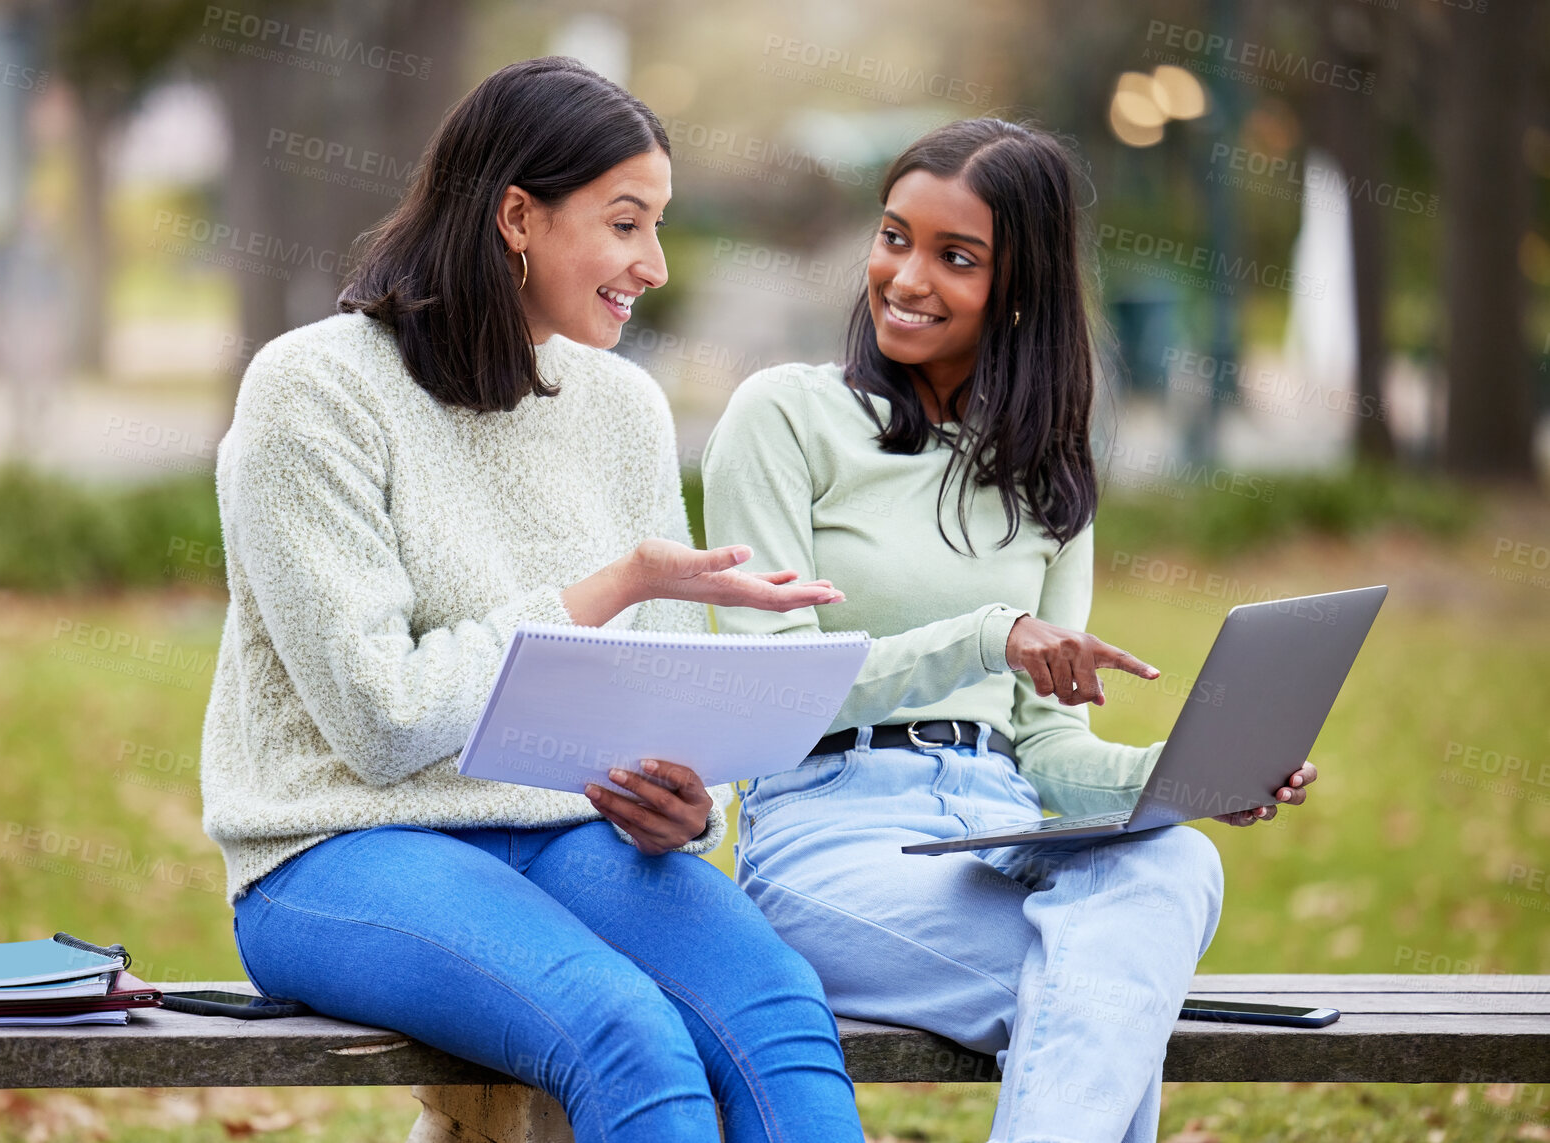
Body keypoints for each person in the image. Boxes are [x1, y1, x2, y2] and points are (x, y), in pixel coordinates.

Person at [200, 57, 865, 1143]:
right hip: (335, 847)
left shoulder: (623, 405)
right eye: (624, 223)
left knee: (781, 1016)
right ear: (517, 215)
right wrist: (613, 586)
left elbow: (656, 692)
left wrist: (688, 806)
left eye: (657, 226)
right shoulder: (312, 391)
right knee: (624, 1033)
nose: (651, 264)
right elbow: (381, 721)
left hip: (573, 835)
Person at [700, 118, 1318, 1143]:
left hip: (1000, 826)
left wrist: (1198, 775)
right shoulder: (785, 418)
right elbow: (764, 694)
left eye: (956, 258)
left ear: (1020, 286)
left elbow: (1048, 749)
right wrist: (986, 634)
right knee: (1108, 991)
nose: (906, 276)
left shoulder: (1048, 468)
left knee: (1178, 865)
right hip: (831, 834)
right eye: (895, 237)